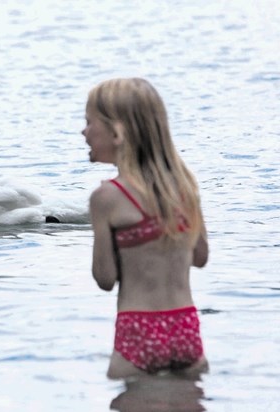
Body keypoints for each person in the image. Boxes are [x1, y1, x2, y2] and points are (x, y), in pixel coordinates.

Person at [82, 77, 209, 379]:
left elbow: (105, 278)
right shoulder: (185, 187)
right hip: (185, 327)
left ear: (117, 132)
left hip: (138, 330)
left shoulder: (107, 198)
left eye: (89, 123)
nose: (83, 132)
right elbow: (201, 257)